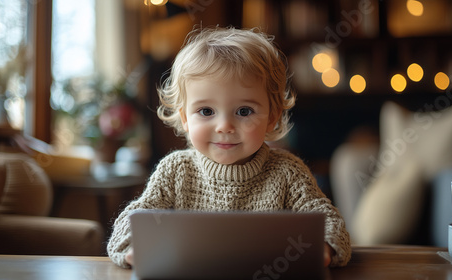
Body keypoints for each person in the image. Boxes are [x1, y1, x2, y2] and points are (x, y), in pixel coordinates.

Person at [107, 26, 351, 268]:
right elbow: (132, 220)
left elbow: (329, 221)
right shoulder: (175, 170)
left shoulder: (288, 172)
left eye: (244, 111)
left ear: (272, 116)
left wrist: (324, 246)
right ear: (184, 118)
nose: (224, 126)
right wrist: (134, 246)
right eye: (206, 111)